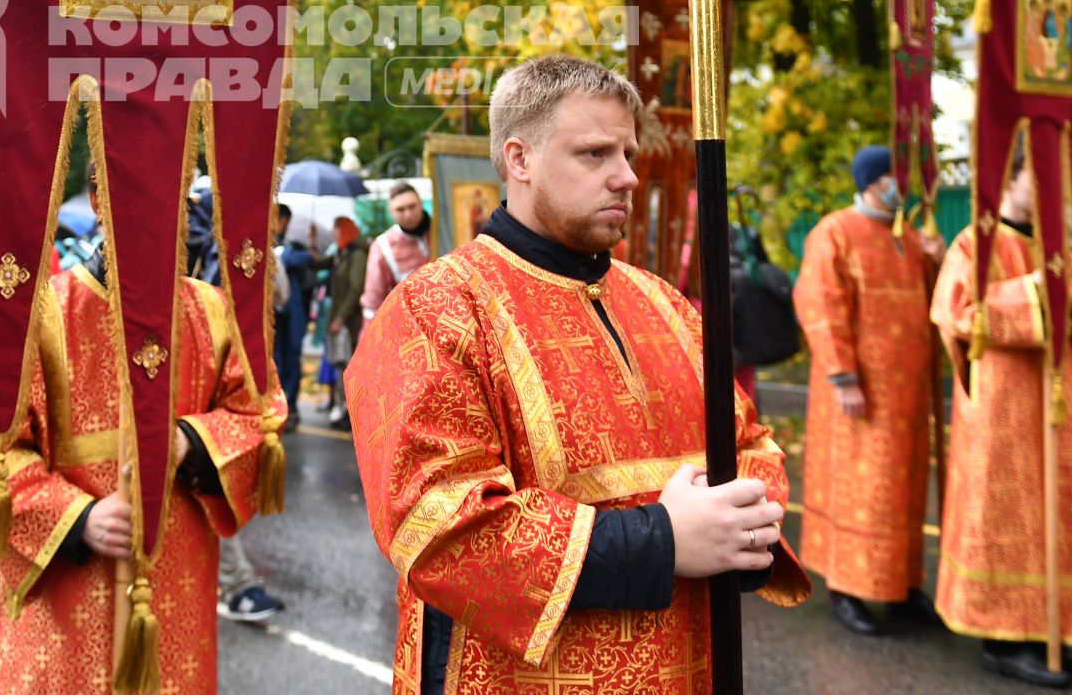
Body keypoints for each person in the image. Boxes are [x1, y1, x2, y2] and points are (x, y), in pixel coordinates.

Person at [347, 54, 806, 695]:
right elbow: (436, 522)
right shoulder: (436, 309)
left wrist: (739, 526)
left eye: (629, 154)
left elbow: (751, 444)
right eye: (595, 154)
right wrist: (663, 539)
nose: (627, 177)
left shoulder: (665, 304)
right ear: (520, 159)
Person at [0, 170, 282, 694]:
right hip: (64, 603)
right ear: (100, 200)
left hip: (176, 594)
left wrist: (191, 443)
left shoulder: (214, 314)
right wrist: (77, 519)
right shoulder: (38, 316)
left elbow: (262, 420)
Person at [931, 140, 1072, 686]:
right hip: (1002, 409)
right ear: (1008, 180)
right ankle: (1002, 640)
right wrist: (1031, 292)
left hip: (1060, 405)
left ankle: (1050, 631)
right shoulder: (974, 242)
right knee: (1006, 515)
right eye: (1035, 179)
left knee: (1058, 512)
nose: (1045, 192)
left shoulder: (1061, 245)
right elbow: (956, 314)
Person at [792, 145, 946, 636]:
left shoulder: (909, 238)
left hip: (908, 394)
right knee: (860, 487)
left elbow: (940, 304)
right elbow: (820, 304)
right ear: (873, 180)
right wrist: (843, 377)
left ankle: (901, 588)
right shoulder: (834, 231)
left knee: (903, 490)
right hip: (860, 391)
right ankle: (847, 586)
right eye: (893, 177)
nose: (900, 186)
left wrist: (939, 264)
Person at [319, 214, 368, 429]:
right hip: (342, 320)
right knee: (341, 367)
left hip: (350, 322)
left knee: (348, 368)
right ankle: (343, 410)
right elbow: (319, 264)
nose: (333, 233)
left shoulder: (357, 255)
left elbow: (355, 288)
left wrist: (340, 318)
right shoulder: (343, 252)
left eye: (336, 228)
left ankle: (351, 413)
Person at [271, 202, 315, 432]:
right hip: (273, 316)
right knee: (275, 361)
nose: (279, 223)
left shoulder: (294, 248)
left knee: (292, 359)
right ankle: (277, 405)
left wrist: (285, 256)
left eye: (282, 219)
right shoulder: (267, 245)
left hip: (294, 316)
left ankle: (292, 407)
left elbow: (306, 260)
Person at [360, 182, 430, 322]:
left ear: (421, 203)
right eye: (400, 209)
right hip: (410, 326)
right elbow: (373, 302)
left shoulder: (443, 230)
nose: (408, 214)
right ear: (391, 211)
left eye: (412, 206)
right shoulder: (382, 246)